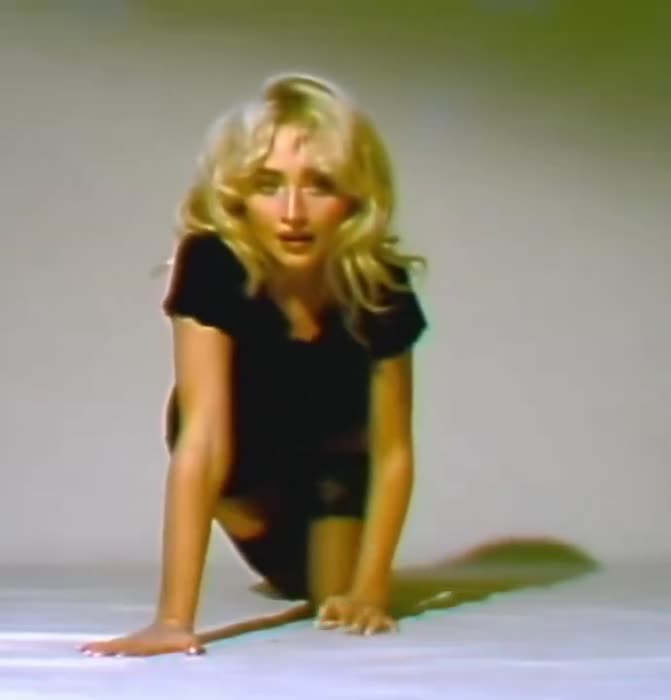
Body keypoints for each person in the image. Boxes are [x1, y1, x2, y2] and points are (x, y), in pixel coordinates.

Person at [80, 73, 428, 657]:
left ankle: (323, 556)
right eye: (269, 185)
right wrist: (173, 621)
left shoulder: (379, 284)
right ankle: (266, 528)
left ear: (354, 197)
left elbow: (392, 452)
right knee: (291, 562)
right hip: (246, 457)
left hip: (336, 460)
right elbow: (202, 439)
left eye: (319, 185)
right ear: (239, 194)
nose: (292, 212)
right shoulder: (212, 262)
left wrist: (370, 593)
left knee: (329, 598)